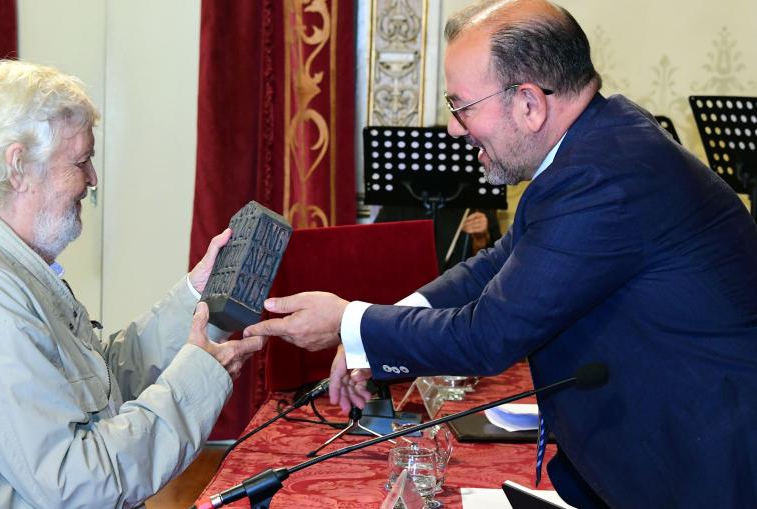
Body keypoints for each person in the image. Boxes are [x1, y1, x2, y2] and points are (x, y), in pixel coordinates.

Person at [243, 1, 757, 507]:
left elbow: (488, 335)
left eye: (461, 107)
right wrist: (382, 326)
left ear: (529, 103)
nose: (454, 129)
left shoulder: (600, 177)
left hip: (703, 466)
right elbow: (497, 261)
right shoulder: (599, 144)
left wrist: (349, 324)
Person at [0, 60, 265, 508]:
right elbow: (79, 483)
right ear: (18, 166)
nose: (92, 180)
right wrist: (201, 376)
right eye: (81, 161)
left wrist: (195, 296)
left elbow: (99, 389)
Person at [374, 205, 501, 271]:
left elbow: (495, 267)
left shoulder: (477, 206)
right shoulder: (396, 205)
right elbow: (374, 249)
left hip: (457, 303)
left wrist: (481, 241)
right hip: (405, 297)